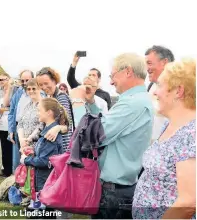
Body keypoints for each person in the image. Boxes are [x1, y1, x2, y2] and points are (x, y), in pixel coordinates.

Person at [71, 53, 154, 219]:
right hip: (118, 190)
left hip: (114, 193)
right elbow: (107, 126)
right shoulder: (136, 100)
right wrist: (92, 104)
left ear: (128, 72)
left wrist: (77, 102)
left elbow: (91, 136)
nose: (110, 81)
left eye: (113, 75)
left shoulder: (132, 103)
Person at [133, 58, 196, 219]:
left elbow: (188, 203)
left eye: (160, 85)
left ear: (178, 91)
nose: (155, 92)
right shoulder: (168, 125)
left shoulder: (191, 134)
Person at [21, 98, 66, 210]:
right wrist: (32, 151)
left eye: (39, 110)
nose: (37, 113)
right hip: (43, 180)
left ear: (49, 112)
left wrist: (25, 159)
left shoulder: (51, 135)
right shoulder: (47, 129)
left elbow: (45, 161)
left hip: (45, 182)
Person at [36, 67, 74, 151]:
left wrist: (57, 128)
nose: (44, 87)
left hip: (63, 147)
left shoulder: (61, 98)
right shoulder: (49, 97)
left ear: (54, 81)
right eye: (40, 84)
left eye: (46, 83)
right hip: (53, 145)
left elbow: (67, 126)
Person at [145, 45, 175, 144]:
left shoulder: (179, 88)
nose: (147, 68)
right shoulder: (150, 87)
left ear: (164, 63)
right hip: (151, 150)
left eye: (149, 63)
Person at [8, 70, 34, 172]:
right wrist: (10, 130)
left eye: (27, 80)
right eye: (22, 80)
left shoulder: (39, 93)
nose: (24, 83)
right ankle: (16, 183)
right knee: (17, 161)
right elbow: (11, 112)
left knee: (29, 159)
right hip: (17, 129)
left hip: (32, 130)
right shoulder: (18, 92)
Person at [0, 81, 15, 177]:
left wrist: (5, 109)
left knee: (13, 150)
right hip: (2, 127)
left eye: (9, 88)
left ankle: (13, 169)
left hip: (13, 128)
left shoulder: (15, 98)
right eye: (5, 89)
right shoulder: (1, 100)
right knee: (4, 150)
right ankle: (6, 170)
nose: (7, 90)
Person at [17, 79, 44, 149]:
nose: (31, 91)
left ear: (39, 89)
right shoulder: (27, 106)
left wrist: (28, 140)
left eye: (34, 88)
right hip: (24, 145)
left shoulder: (44, 105)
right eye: (29, 89)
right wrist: (21, 139)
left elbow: (41, 126)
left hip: (37, 146)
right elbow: (20, 124)